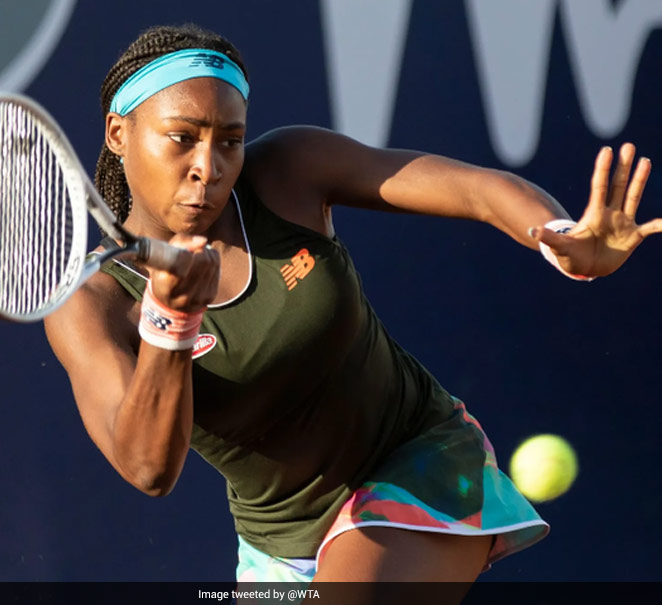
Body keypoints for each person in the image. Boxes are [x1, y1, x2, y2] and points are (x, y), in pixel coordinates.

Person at [43, 23, 659, 597]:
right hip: (277, 552)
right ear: (118, 133)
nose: (209, 166)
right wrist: (169, 323)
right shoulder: (92, 303)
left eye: (228, 140)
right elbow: (149, 467)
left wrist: (557, 238)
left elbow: (472, 189)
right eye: (183, 138)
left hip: (418, 464)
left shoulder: (289, 171)